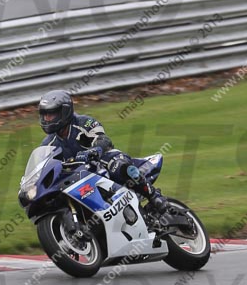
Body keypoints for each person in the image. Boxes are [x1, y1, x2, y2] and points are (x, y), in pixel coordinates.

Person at [38, 89, 167, 213]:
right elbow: (44, 167)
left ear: (64, 112)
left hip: (101, 163)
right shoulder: (48, 144)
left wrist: (93, 150)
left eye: (51, 114)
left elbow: (104, 140)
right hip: (79, 178)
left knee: (118, 165)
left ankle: (154, 195)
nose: (47, 119)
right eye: (45, 115)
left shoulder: (84, 123)